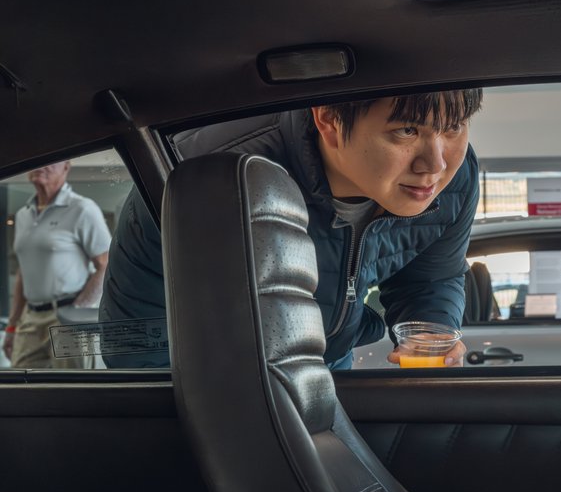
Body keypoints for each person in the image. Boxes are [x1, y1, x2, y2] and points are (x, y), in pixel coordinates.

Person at [100, 90, 483, 369]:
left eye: (453, 128)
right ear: (329, 120)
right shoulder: (204, 176)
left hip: (331, 362)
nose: (434, 165)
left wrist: (432, 330)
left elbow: (430, 278)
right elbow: (139, 335)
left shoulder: (456, 178)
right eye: (406, 131)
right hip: (218, 380)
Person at [3, 161, 110, 369]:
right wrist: (12, 326)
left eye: (51, 160)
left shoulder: (82, 208)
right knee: (21, 389)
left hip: (67, 316)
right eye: (36, 159)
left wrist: (77, 310)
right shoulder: (23, 215)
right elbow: (23, 273)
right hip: (31, 319)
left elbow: (106, 266)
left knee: (74, 391)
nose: (41, 165)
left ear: (66, 167)